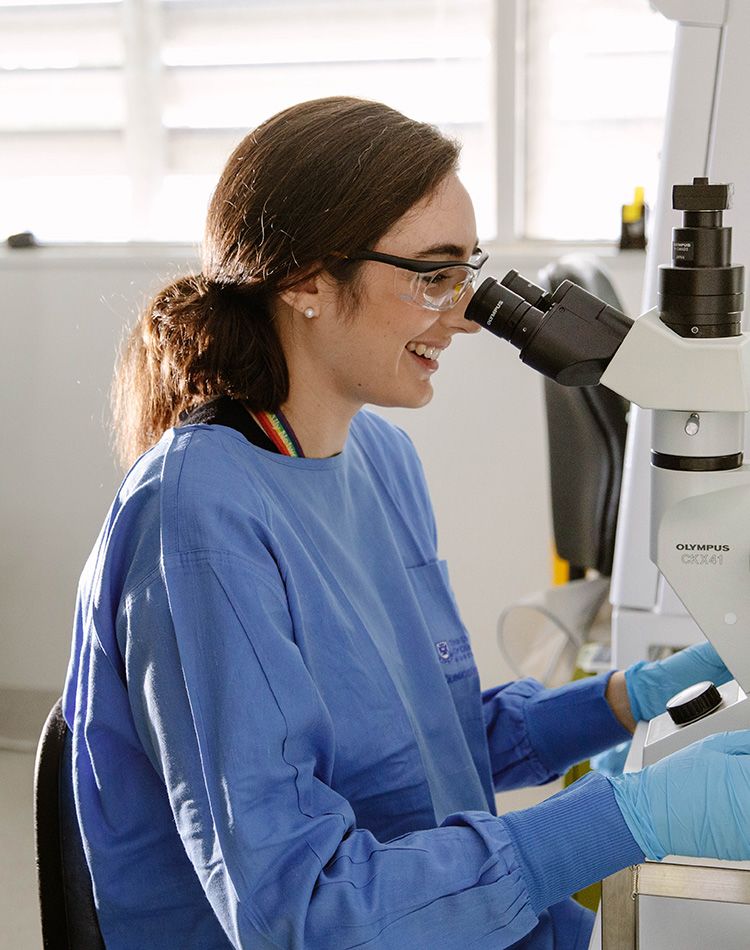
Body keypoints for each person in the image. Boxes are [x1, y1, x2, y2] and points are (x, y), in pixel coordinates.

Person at [63, 96, 750, 950]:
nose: (464, 315)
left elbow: (432, 740)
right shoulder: (197, 523)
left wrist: (629, 699)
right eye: (433, 275)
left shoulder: (381, 459)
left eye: (468, 273)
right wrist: (623, 819)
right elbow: (302, 913)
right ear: (305, 279)